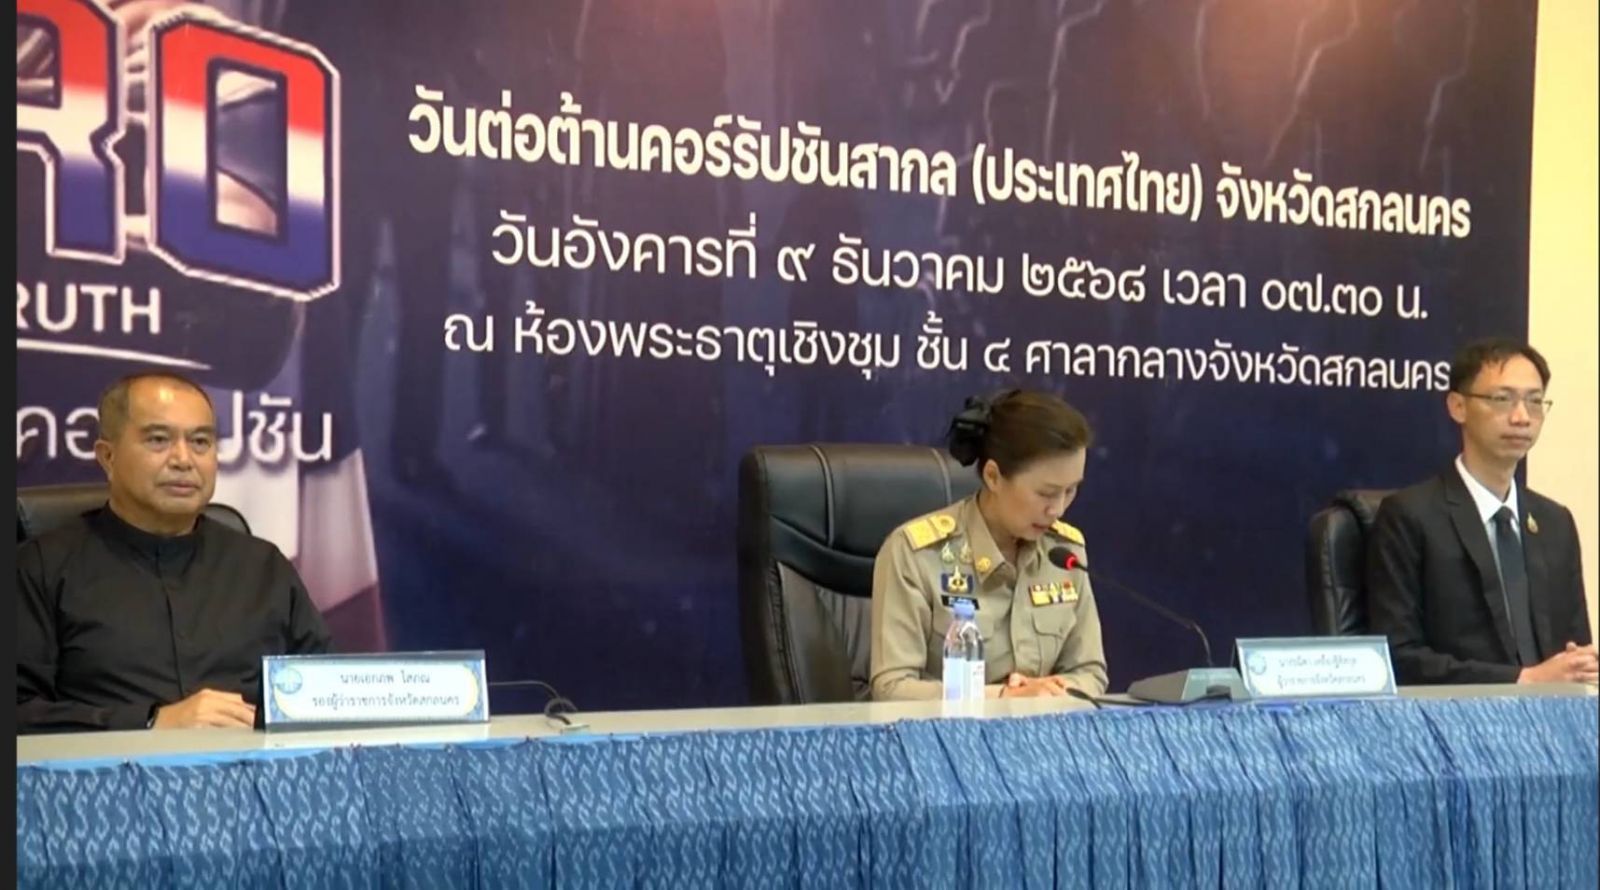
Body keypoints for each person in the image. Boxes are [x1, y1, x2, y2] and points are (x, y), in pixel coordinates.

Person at [17, 372, 332, 733]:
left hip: (253, 766)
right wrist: (151, 722)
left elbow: (325, 696)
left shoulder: (263, 566)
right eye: (158, 440)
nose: (184, 459)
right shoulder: (41, 567)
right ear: (108, 457)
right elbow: (18, 710)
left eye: (200, 442)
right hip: (113, 767)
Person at [1366, 338, 1596, 685]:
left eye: (1534, 401)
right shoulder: (1410, 516)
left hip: (1554, 715)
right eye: (1502, 399)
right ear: (1458, 406)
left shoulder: (1555, 522)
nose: (1521, 417)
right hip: (1457, 715)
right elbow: (1397, 657)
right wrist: (1524, 679)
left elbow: (1574, 648)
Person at [870, 389, 1108, 701]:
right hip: (945, 731)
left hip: (1045, 729)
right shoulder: (915, 553)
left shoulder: (1065, 553)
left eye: (1071, 491)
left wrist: (1054, 694)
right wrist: (1003, 699)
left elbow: (1089, 672)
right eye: (1047, 493)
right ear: (993, 477)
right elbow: (892, 690)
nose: (1058, 509)